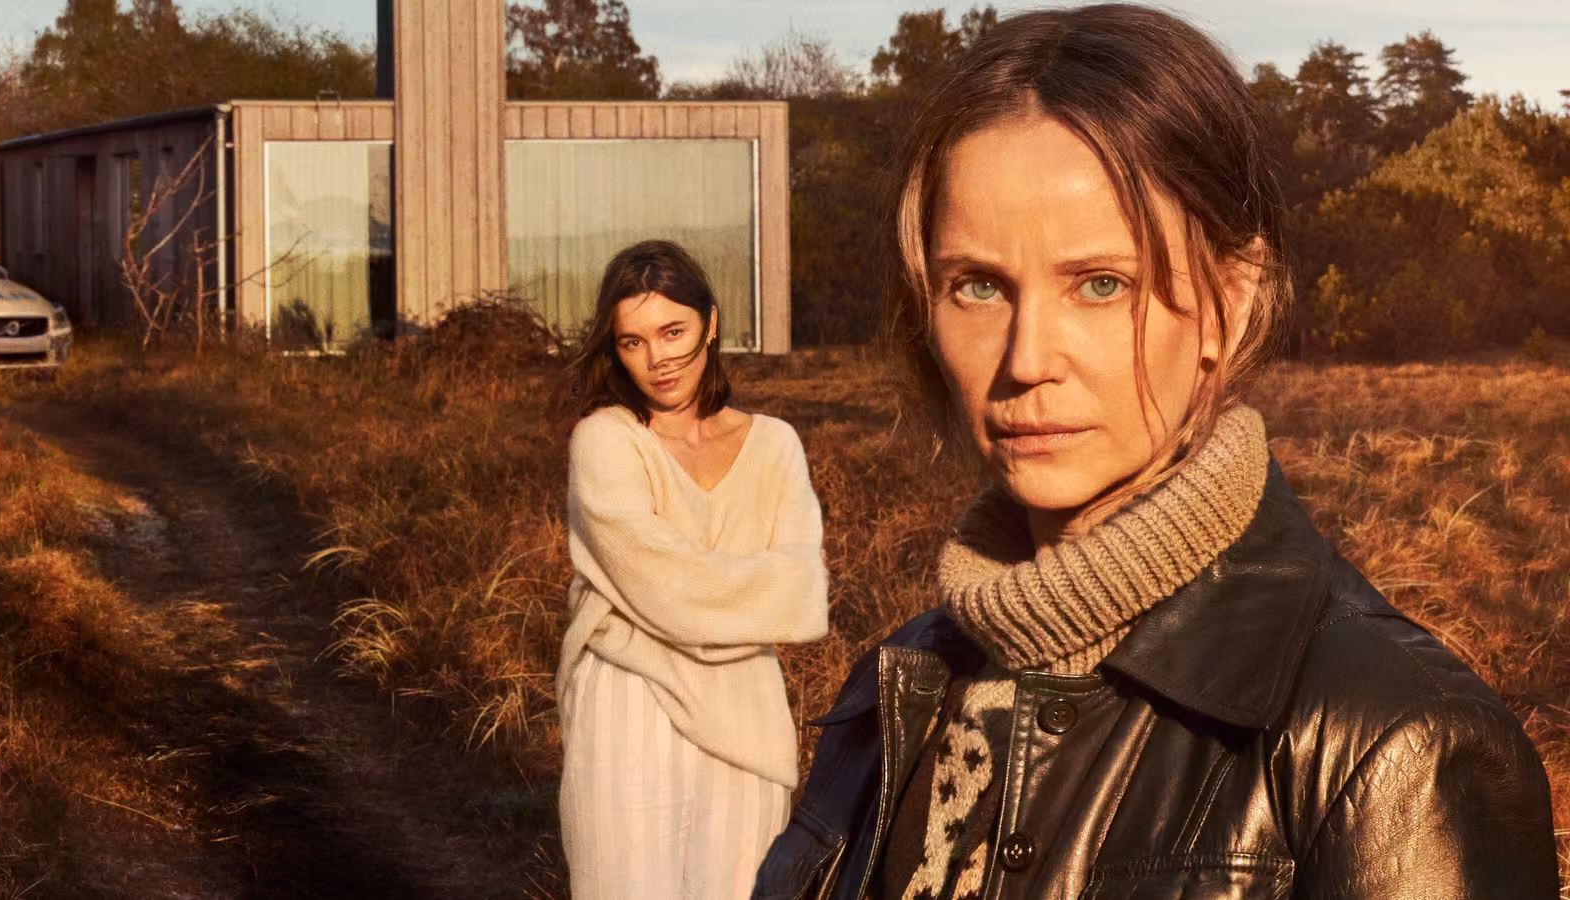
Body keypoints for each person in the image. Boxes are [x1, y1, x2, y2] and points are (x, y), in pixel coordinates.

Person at [753, 6, 1558, 899]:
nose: (1025, 360)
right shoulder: (895, 689)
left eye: (1102, 284)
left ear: (1230, 304)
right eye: (977, 286)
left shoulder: (1392, 745)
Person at [555, 239, 830, 899]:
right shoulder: (606, 440)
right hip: (630, 702)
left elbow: (803, 594)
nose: (657, 360)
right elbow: (669, 591)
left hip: (746, 718)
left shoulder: (775, 444)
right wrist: (751, 595)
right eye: (633, 341)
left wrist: (693, 595)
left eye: (672, 331)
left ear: (710, 323)